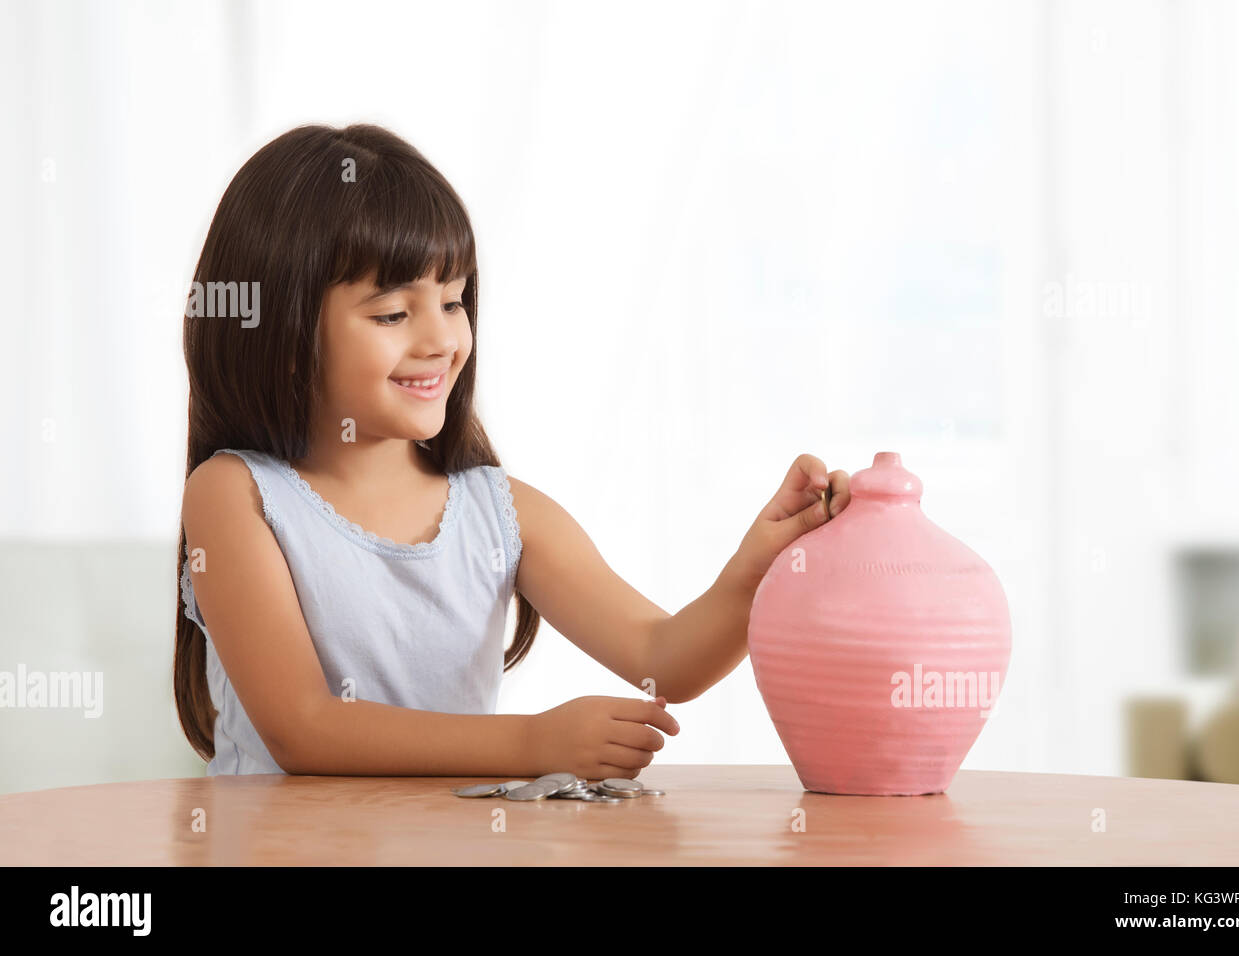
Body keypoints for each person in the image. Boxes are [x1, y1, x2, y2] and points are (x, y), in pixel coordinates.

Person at [174, 123, 851, 778]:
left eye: (453, 300)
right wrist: (532, 741)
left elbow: (662, 658)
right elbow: (302, 727)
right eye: (391, 314)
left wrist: (754, 569)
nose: (440, 338)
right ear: (283, 337)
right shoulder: (237, 494)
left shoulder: (499, 512)